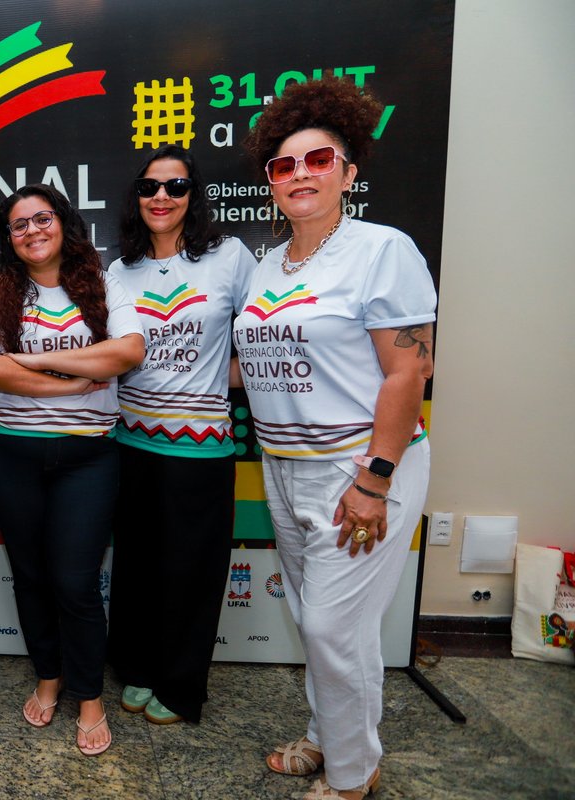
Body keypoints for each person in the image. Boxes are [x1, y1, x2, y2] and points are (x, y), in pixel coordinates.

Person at [236, 79, 436, 800]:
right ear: (270, 182)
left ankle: (352, 776)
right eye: (283, 165)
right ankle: (329, 736)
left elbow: (410, 369)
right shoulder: (269, 265)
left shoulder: (382, 250)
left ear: (348, 172)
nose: (300, 174)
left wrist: (374, 479)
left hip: (359, 468)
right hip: (284, 467)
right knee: (321, 624)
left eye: (318, 160)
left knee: (329, 627)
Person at [0, 184, 145, 757]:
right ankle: (49, 675)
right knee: (30, 574)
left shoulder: (102, 283)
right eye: (19, 225)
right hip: (10, 455)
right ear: (9, 238)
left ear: (63, 222)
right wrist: (68, 384)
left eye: (41, 219)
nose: (32, 232)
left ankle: (88, 694)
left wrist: (35, 359)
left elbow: (126, 353)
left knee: (74, 580)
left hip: (87, 458)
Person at [106, 146, 257, 725]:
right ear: (136, 197)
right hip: (131, 443)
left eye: (175, 185)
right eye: (150, 187)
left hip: (202, 449)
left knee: (192, 572)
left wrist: (214, 379)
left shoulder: (229, 257)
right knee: (138, 566)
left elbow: (265, 338)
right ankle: (138, 668)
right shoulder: (119, 271)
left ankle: (181, 684)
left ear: (194, 195)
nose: (162, 197)